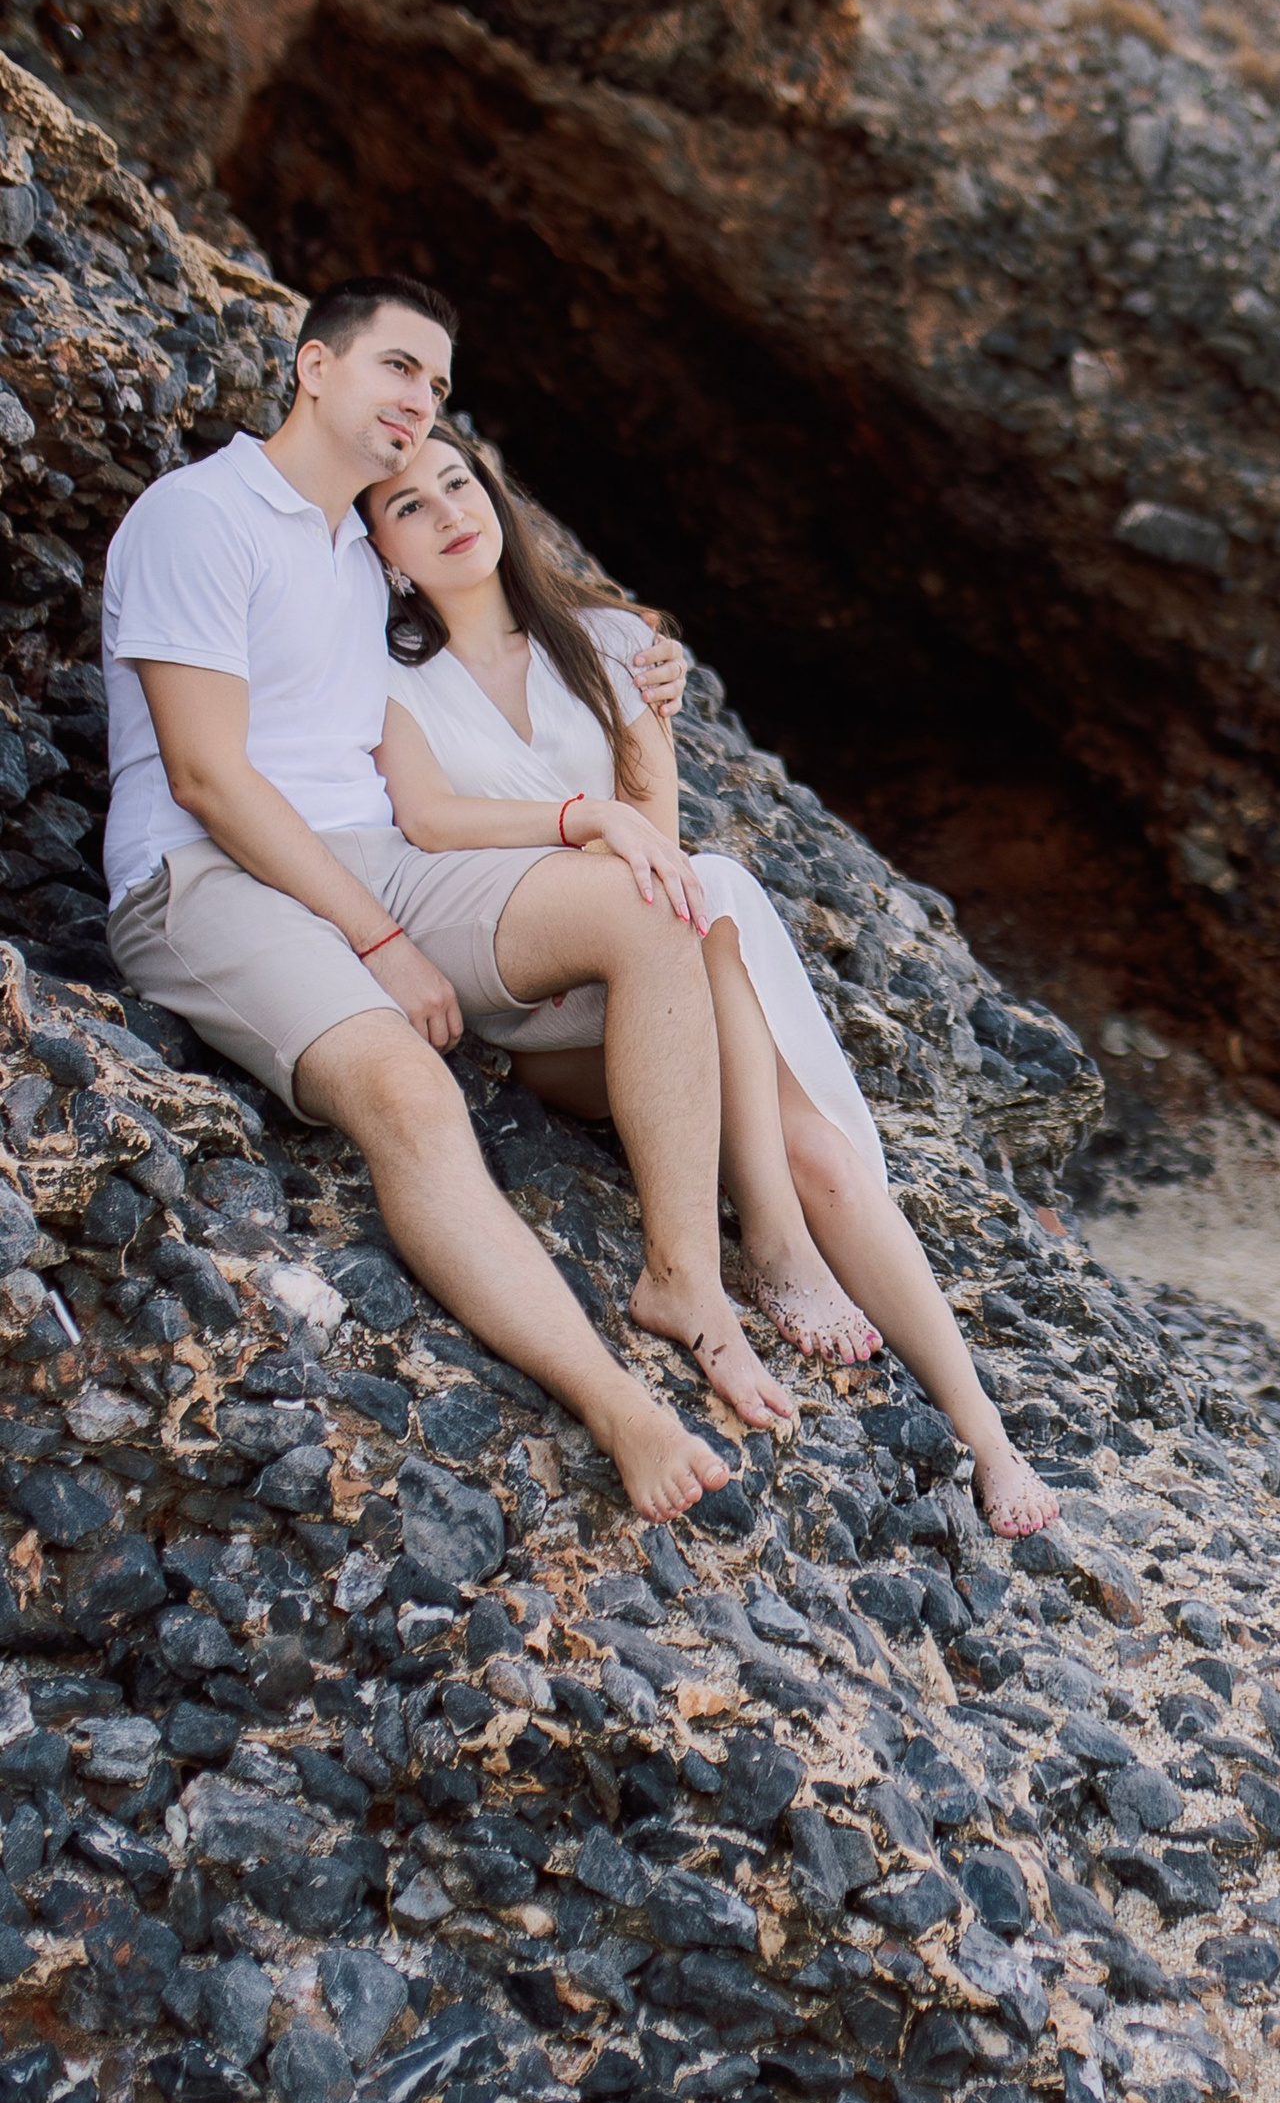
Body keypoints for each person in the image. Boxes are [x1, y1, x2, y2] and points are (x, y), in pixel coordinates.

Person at [100, 276, 791, 1526]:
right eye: (399, 367)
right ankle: (614, 1401)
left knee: (647, 909)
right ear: (315, 367)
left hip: (375, 852)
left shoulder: (363, 549)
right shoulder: (199, 518)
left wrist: (646, 653)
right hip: (202, 869)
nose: (421, 400)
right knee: (408, 1091)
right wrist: (380, 945)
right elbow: (206, 773)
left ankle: (685, 1277)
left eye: (438, 387)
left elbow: (501, 596)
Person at [359, 418, 1061, 1539]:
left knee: (812, 1130)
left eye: (460, 484)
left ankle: (986, 1432)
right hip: (543, 1006)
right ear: (386, 553)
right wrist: (578, 827)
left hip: (663, 982)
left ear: (495, 497)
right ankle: (771, 1248)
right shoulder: (397, 682)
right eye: (409, 506)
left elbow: (659, 838)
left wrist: (617, 812)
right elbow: (428, 821)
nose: (449, 514)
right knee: (701, 898)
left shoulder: (608, 641)